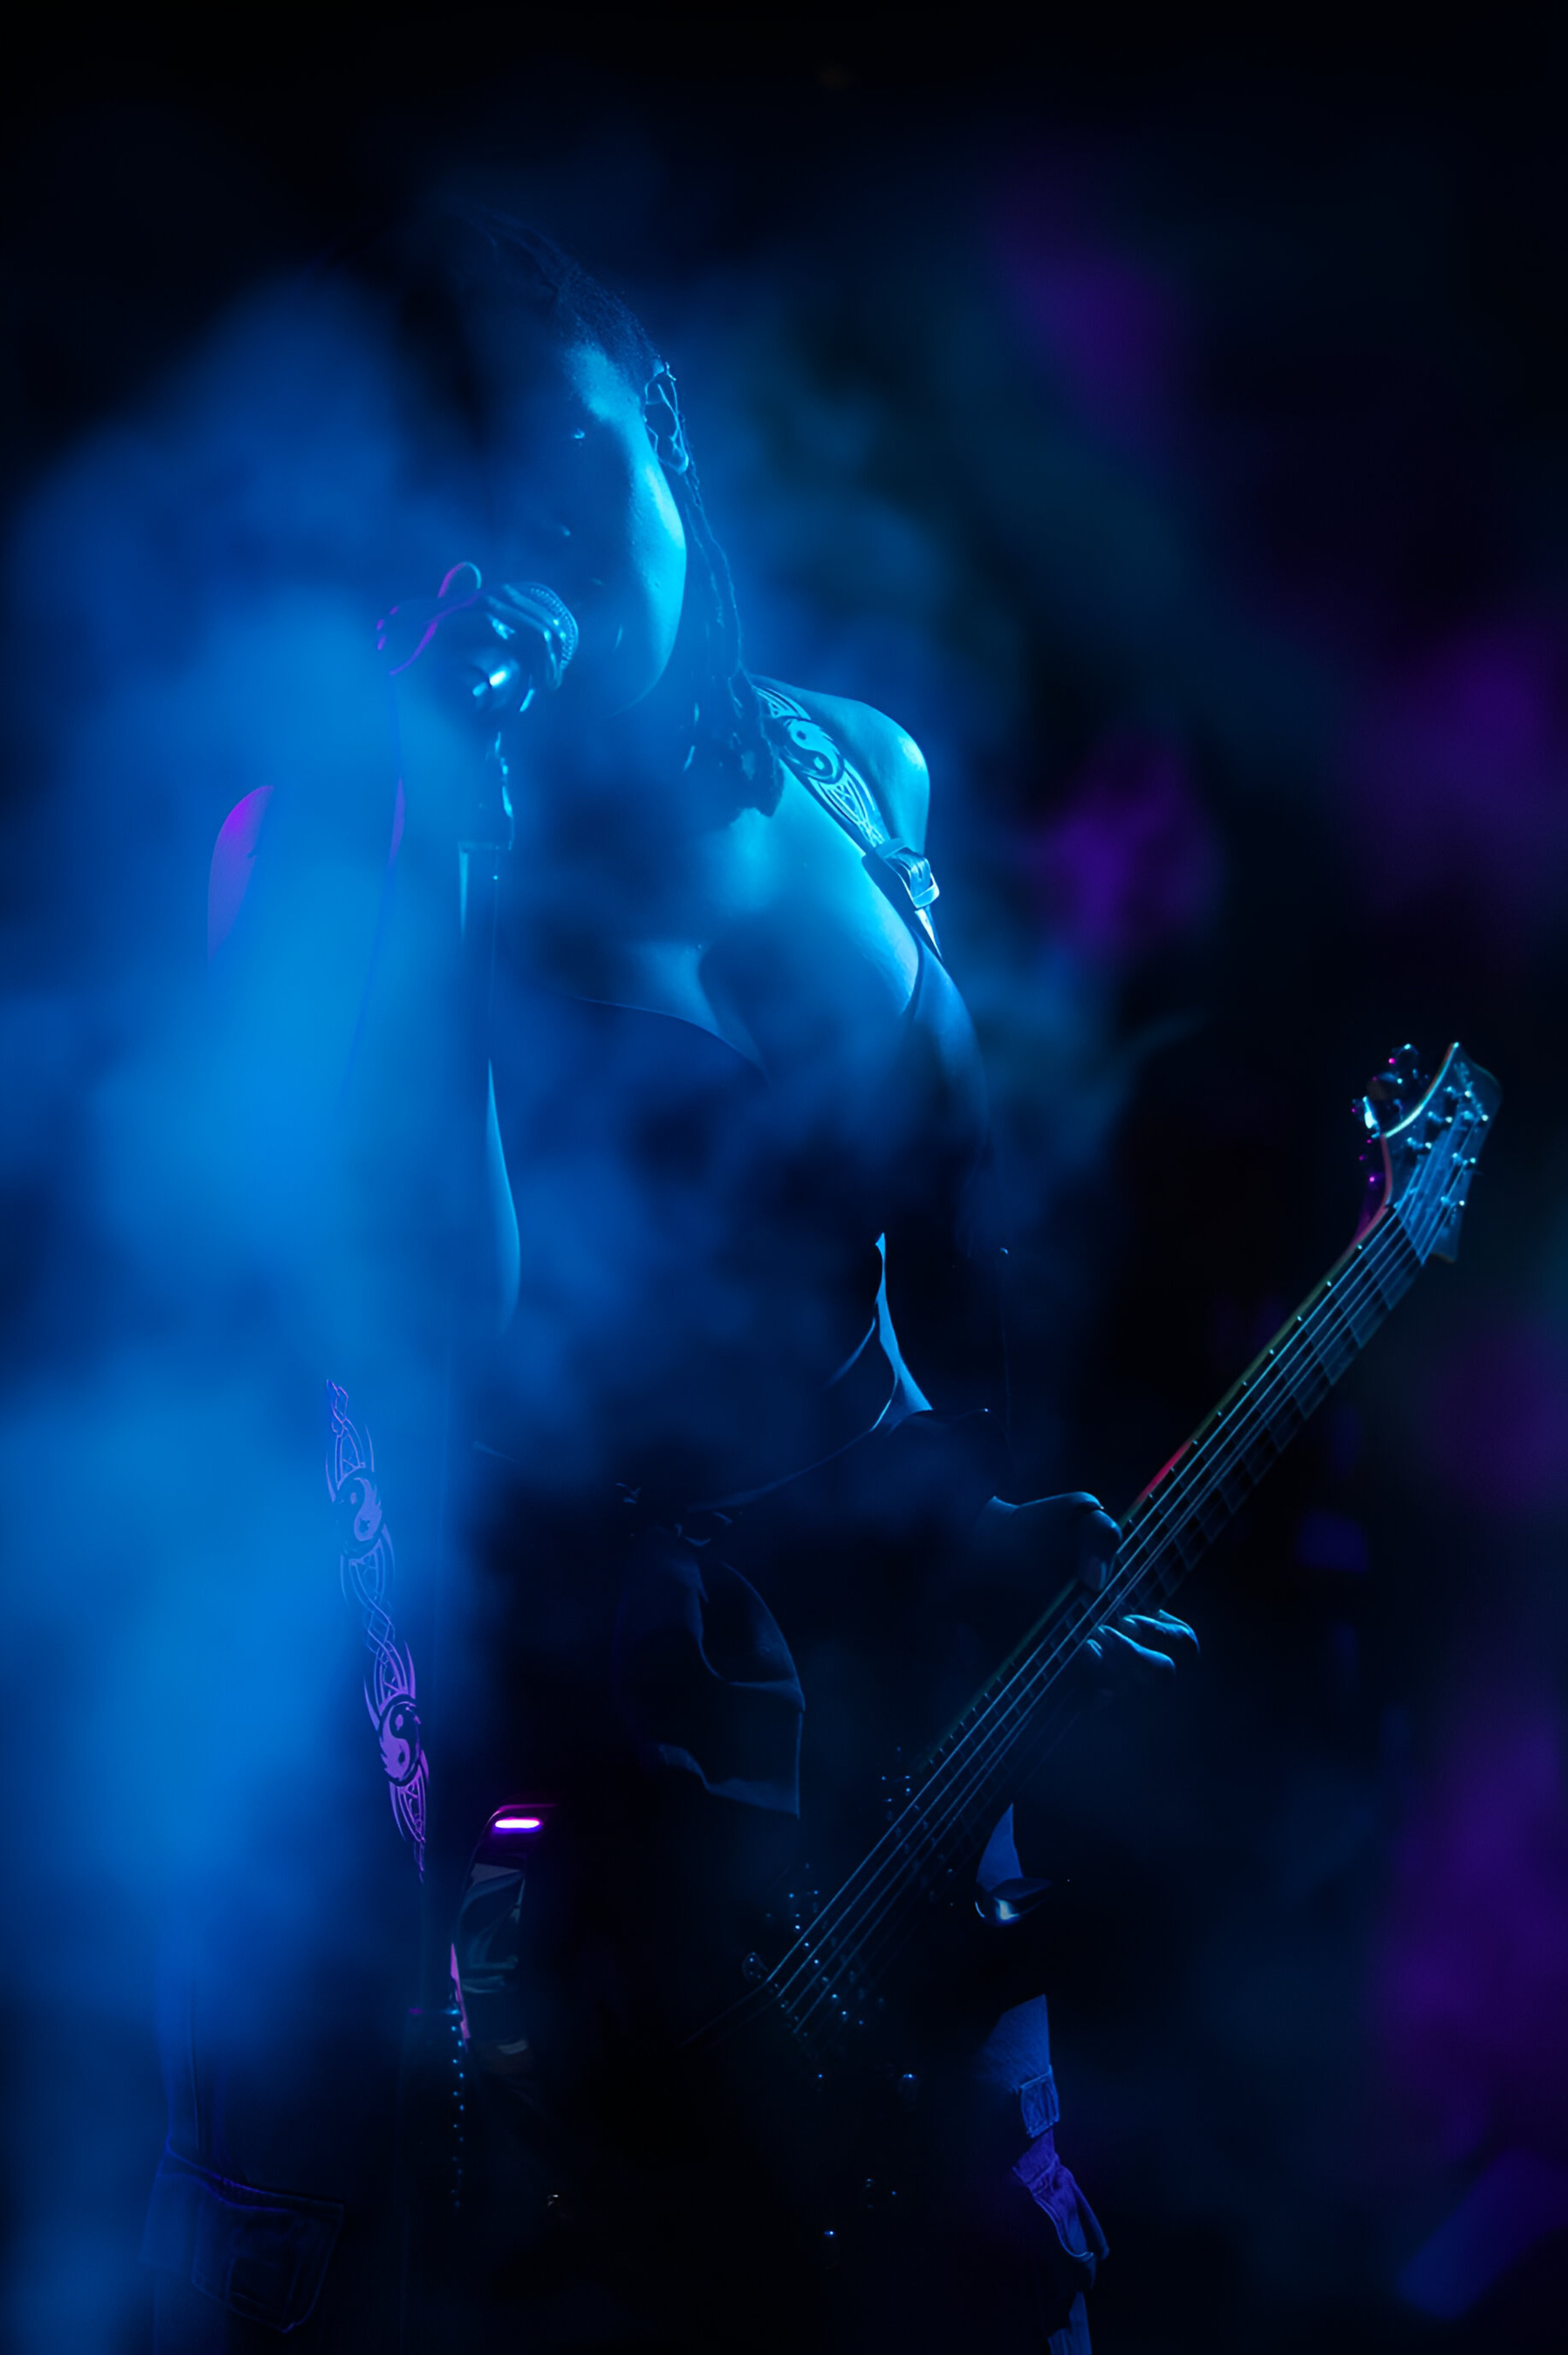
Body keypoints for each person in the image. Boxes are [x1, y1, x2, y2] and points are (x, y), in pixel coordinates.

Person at [146, 202, 1194, 2353]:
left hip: (884, 1707)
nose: (539, 544)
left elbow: (961, 1256)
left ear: (674, 452)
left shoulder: (855, 768)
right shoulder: (322, 847)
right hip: (553, 1761)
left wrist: (991, 1543)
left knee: (972, 2277)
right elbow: (459, 1321)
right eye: (480, 494)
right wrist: (443, 826)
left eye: (578, 467)